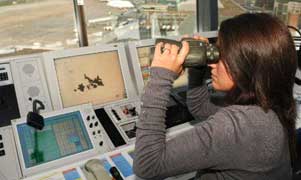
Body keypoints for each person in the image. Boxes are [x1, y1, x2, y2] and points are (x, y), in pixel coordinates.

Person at [133, 13, 297, 180]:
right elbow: (201, 108)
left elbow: (148, 165)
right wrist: (198, 65)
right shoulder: (269, 104)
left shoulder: (239, 126)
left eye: (222, 55)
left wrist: (160, 78)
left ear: (245, 66)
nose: (212, 62)